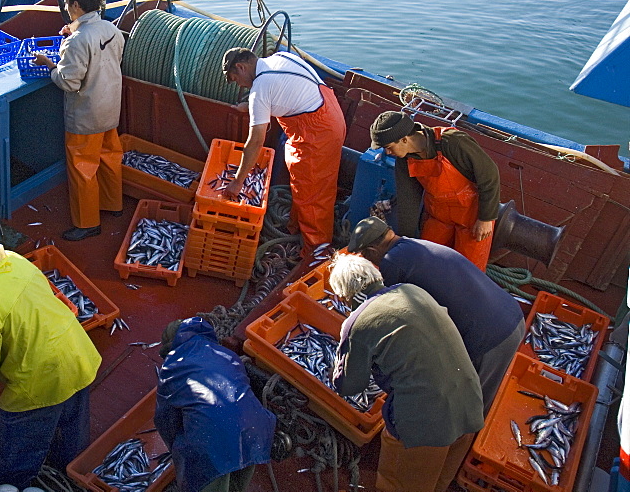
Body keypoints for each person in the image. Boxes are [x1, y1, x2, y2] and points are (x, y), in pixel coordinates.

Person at [0, 214, 101, 489]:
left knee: (17, 434)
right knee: (73, 423)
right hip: (78, 352)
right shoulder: (12, 259)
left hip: (42, 377)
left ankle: (10, 481)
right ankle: (72, 471)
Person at [330, 254, 484, 492]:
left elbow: (349, 386)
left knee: (399, 484)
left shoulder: (357, 323)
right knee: (437, 483)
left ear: (344, 295)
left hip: (425, 425)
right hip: (470, 403)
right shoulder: (413, 290)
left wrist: (343, 359)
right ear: (375, 275)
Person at [344, 217, 523, 413]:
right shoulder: (415, 245)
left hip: (490, 339)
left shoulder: (392, 262)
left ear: (372, 251)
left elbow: (387, 315)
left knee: (469, 407)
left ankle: (464, 443)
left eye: (365, 256)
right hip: (511, 314)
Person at [222, 47, 346, 267]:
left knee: (314, 193)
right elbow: (287, 92)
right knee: (303, 183)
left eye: (236, 78)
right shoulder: (279, 58)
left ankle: (316, 252)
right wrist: (251, 108)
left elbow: (256, 141)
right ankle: (298, 229)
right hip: (329, 112)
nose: (240, 84)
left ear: (241, 66)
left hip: (318, 132)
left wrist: (237, 182)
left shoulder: (260, 88)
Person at [32, 0, 125, 241]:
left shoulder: (76, 42)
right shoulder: (111, 30)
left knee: (83, 168)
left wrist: (50, 64)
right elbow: (107, 60)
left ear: (75, 5)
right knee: (109, 159)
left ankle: (87, 223)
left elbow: (68, 82)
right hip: (110, 110)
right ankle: (113, 205)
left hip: (86, 117)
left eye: (67, 5)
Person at [155, 317, 276, 492]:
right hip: (256, 430)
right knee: (236, 483)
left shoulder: (171, 367)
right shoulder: (226, 353)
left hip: (215, 442)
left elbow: (166, 421)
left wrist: (180, 452)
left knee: (212, 468)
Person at [370, 111, 500, 269]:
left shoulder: (453, 142)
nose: (387, 153)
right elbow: (408, 199)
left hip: (472, 218)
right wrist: (406, 241)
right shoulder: (404, 159)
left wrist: (486, 219)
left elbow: (490, 176)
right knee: (426, 263)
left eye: (389, 148)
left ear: (404, 139)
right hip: (439, 217)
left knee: (469, 272)